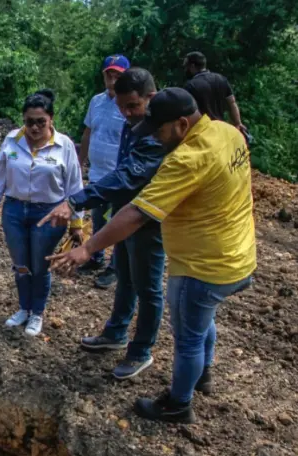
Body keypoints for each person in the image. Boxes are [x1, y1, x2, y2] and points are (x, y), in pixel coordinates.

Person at [50, 88, 256, 423]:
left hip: (202, 265)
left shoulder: (186, 159)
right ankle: (203, 376)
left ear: (182, 124)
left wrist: (87, 248)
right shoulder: (228, 132)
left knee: (187, 339)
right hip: (239, 254)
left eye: (160, 131)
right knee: (204, 321)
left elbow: (137, 213)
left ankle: (177, 404)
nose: (157, 139)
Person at [38, 68, 168, 380]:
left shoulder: (158, 132)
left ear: (152, 95)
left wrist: (76, 201)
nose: (127, 113)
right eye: (123, 106)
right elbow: (122, 173)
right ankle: (116, 333)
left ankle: (141, 351)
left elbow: (128, 176)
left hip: (148, 219)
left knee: (148, 288)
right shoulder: (135, 123)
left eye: (133, 106)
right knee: (124, 274)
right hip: (124, 211)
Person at [0, 89, 84, 337]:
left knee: (40, 265)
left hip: (49, 214)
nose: (35, 127)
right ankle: (23, 308)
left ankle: (37, 312)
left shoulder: (65, 146)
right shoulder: (12, 140)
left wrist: (76, 222)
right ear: (23, 121)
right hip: (15, 210)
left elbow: (75, 185)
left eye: (41, 122)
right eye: (29, 122)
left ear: (51, 120)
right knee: (21, 264)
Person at [77, 54, 130, 289]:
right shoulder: (96, 101)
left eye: (118, 74)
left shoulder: (128, 104)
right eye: (110, 73)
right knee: (98, 218)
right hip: (97, 173)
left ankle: (114, 267)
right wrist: (80, 161)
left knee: (118, 222)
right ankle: (96, 257)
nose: (113, 78)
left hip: (119, 176)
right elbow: (88, 132)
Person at [183, 52, 247, 136]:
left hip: (203, 133)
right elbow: (232, 103)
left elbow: (189, 113)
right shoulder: (221, 79)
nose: (185, 70)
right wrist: (238, 123)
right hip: (221, 129)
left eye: (186, 66)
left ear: (192, 66)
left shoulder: (191, 86)